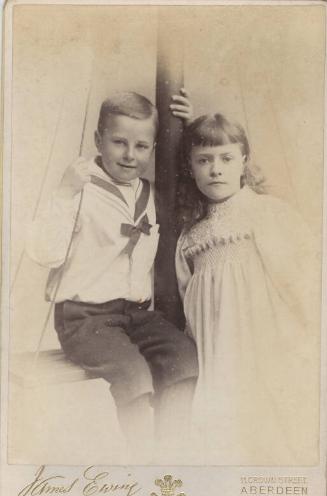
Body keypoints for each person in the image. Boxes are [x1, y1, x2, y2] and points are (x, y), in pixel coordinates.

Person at [27, 90, 198, 462]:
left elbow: (194, 178)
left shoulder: (151, 193)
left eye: (141, 146)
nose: (129, 155)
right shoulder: (80, 189)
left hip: (133, 314)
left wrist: (186, 129)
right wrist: (63, 191)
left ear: (153, 148)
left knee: (184, 358)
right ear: (98, 141)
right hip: (85, 318)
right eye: (119, 142)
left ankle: (173, 459)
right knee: (133, 374)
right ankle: (142, 463)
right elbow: (44, 252)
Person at [175, 113, 320, 465]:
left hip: (265, 342)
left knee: (272, 424)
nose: (216, 170)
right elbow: (187, 299)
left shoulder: (265, 213)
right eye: (204, 160)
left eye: (226, 159)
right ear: (190, 167)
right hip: (216, 351)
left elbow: (303, 280)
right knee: (224, 429)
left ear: (243, 162)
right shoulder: (189, 236)